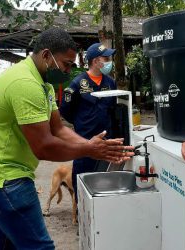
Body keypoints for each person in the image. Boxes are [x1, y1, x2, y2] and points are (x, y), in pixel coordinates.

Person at [0, 28, 133, 250]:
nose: (68, 70)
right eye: (66, 63)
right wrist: (89, 150)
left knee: (4, 246)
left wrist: (93, 145)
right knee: (40, 247)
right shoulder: (26, 84)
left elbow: (58, 129)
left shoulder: (43, 84)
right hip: (1, 181)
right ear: (46, 55)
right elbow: (43, 147)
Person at [60, 43, 117, 203]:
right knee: (83, 183)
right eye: (105, 58)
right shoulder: (77, 83)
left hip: (107, 142)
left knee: (106, 183)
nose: (108, 61)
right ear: (94, 61)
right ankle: (82, 217)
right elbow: (65, 109)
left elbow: (113, 108)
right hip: (84, 142)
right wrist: (81, 123)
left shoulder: (110, 82)